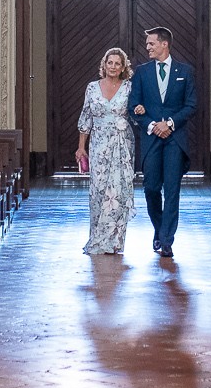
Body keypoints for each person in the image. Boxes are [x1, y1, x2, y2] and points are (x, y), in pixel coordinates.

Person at [129, 26, 197, 259]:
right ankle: (159, 227)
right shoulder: (141, 72)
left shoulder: (185, 71)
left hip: (175, 140)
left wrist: (169, 124)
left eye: (151, 43)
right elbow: (134, 105)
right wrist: (152, 125)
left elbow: (191, 105)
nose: (147, 47)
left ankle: (167, 240)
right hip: (151, 139)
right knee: (150, 189)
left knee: (172, 190)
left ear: (164, 44)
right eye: (147, 44)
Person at [76, 47, 136, 255]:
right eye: (110, 63)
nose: (113, 67)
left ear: (123, 67)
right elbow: (86, 118)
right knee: (99, 190)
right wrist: (81, 147)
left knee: (119, 190)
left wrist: (140, 110)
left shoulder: (129, 88)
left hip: (122, 144)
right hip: (99, 144)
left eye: (117, 63)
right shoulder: (92, 88)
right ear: (104, 65)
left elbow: (136, 113)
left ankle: (116, 241)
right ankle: (97, 237)